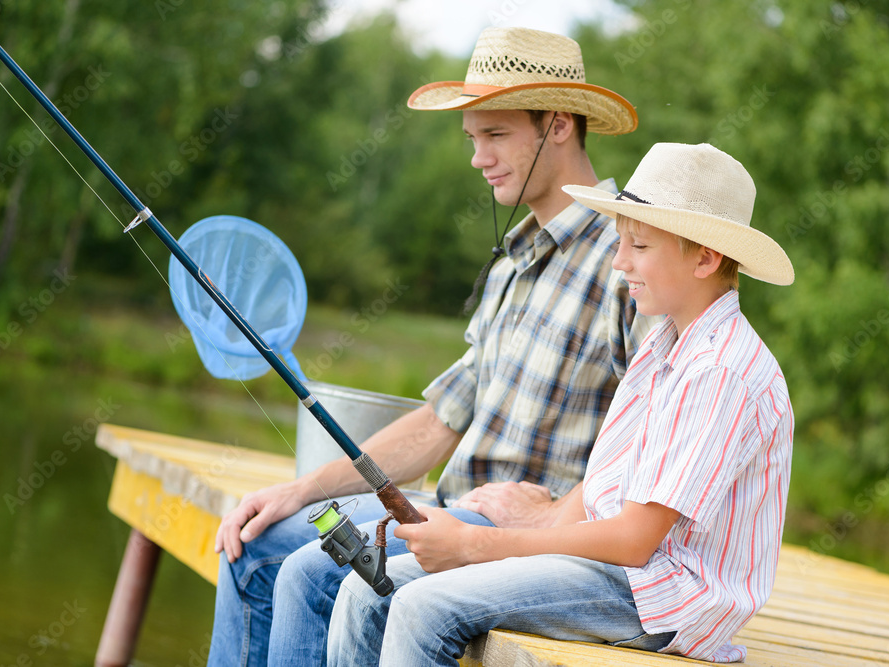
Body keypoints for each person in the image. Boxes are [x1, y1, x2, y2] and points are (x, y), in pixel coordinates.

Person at [208, 27, 651, 667]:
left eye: (495, 135)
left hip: (524, 539)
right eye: (473, 138)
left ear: (557, 124)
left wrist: (555, 513)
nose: (478, 157)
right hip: (444, 507)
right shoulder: (514, 261)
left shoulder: (630, 257)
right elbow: (441, 420)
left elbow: (656, 431)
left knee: (316, 572)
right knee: (257, 546)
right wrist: (300, 490)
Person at [327, 142, 796, 666]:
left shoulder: (720, 369)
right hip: (617, 572)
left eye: (638, 246)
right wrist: (526, 526)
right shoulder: (668, 342)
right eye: (620, 243)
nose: (619, 263)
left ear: (706, 258)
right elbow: (609, 485)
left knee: (421, 608)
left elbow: (634, 541)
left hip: (662, 596)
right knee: (370, 587)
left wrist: (474, 546)